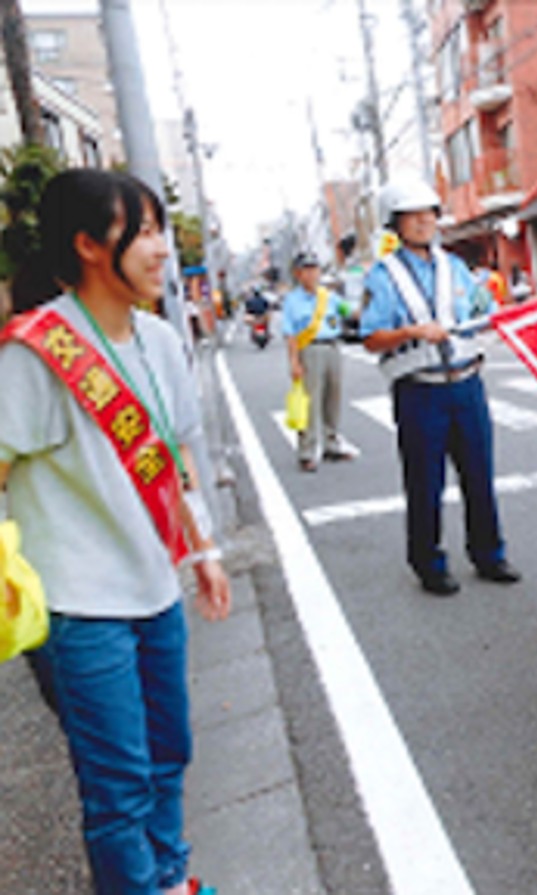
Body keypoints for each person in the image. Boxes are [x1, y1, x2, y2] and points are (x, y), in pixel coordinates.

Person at [0, 168, 231, 895]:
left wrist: (205, 549)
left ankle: (169, 878)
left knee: (170, 752)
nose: (164, 249)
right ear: (90, 245)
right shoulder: (37, 352)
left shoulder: (161, 338)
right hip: (78, 606)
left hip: (154, 587)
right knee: (119, 785)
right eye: (147, 231)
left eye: (162, 229)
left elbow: (176, 453)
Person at [359, 172, 520, 597]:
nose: (423, 222)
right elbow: (372, 338)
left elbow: (482, 309)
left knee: (479, 474)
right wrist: (412, 330)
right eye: (411, 216)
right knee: (425, 481)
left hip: (467, 383)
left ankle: (489, 554)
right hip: (420, 390)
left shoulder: (454, 267)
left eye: (428, 214)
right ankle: (429, 562)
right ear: (395, 223)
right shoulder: (383, 276)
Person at [280, 251, 357, 472]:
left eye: (315, 269)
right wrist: (294, 362)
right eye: (307, 269)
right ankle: (306, 452)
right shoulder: (292, 301)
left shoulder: (329, 297)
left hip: (332, 347)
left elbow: (350, 312)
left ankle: (331, 444)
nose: (312, 273)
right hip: (310, 350)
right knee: (310, 402)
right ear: (298, 274)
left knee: (333, 397)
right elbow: (290, 334)